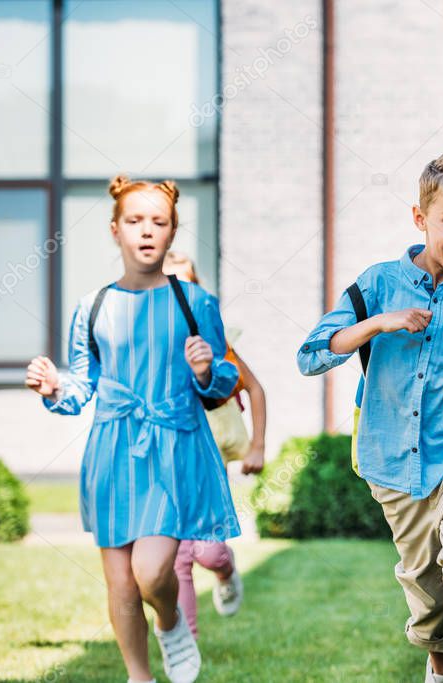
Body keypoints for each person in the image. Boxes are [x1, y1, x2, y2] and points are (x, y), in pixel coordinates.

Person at [297, 149, 443, 683]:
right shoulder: (375, 285)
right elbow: (312, 355)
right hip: (392, 461)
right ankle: (438, 665)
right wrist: (379, 324)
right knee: (425, 585)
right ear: (421, 219)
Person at [25, 175, 239, 683]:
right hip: (113, 450)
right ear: (115, 230)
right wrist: (55, 385)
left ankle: (170, 622)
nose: (147, 231)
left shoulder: (195, 303)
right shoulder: (93, 306)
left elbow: (224, 381)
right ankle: (138, 676)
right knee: (120, 583)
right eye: (135, 221)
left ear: (172, 232)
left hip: (173, 447)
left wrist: (207, 370)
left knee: (150, 572)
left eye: (158, 223)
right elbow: (83, 385)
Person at [162, 251, 267, 637]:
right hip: (167, 461)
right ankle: (186, 649)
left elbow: (255, 388)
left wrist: (257, 446)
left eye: (184, 285)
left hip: (209, 462)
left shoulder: (215, 345)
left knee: (208, 551)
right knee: (180, 557)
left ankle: (226, 569)